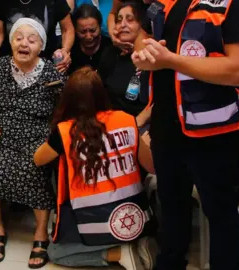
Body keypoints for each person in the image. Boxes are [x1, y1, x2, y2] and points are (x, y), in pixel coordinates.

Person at [131, 0, 239, 269]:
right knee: (171, 210)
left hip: (215, 132)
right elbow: (143, 35)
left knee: (220, 214)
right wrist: (143, 53)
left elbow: (238, 71)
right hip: (166, 124)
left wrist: (170, 61)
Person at [34, 67, 155, 270]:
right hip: (134, 217)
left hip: (90, 223)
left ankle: (118, 253)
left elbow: (38, 159)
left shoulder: (65, 132)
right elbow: (151, 166)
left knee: (56, 253)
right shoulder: (127, 120)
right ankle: (132, 243)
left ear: (69, 99)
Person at [0, 18, 65, 268]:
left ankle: (40, 232)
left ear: (41, 47)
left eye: (31, 40)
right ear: (11, 42)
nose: (24, 43)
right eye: (19, 37)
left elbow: (63, 110)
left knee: (36, 169)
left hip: (36, 138)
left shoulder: (51, 75)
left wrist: (50, 138)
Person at [0, 0, 75, 80]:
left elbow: (67, 29)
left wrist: (65, 50)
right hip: (11, 67)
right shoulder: (3, 1)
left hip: (45, 67)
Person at [97, 1, 149, 118]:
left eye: (130, 20)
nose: (122, 25)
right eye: (119, 20)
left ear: (143, 25)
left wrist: (136, 125)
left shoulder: (151, 59)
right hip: (110, 120)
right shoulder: (110, 53)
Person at [68, 4, 111, 73]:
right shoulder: (69, 51)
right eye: (83, 32)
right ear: (75, 30)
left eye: (93, 30)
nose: (88, 37)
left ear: (100, 27)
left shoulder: (111, 48)